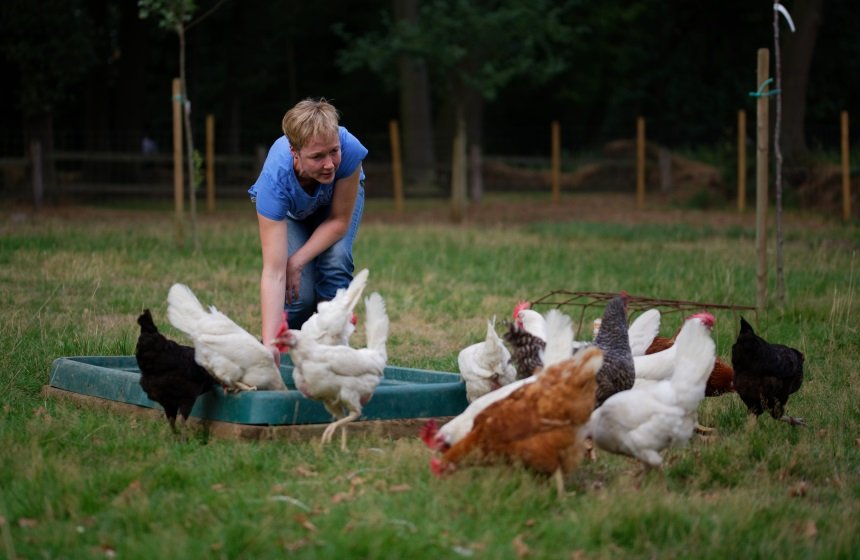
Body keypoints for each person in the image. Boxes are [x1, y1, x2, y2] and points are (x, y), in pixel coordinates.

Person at [249, 98, 368, 364]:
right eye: (317, 156)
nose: (329, 164)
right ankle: (287, 347)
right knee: (299, 297)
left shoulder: (349, 150)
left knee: (336, 261)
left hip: (334, 209)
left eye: (333, 152)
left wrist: (297, 260)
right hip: (293, 214)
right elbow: (273, 272)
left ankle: (332, 351)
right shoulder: (274, 181)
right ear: (295, 152)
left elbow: (338, 222)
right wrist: (269, 345)